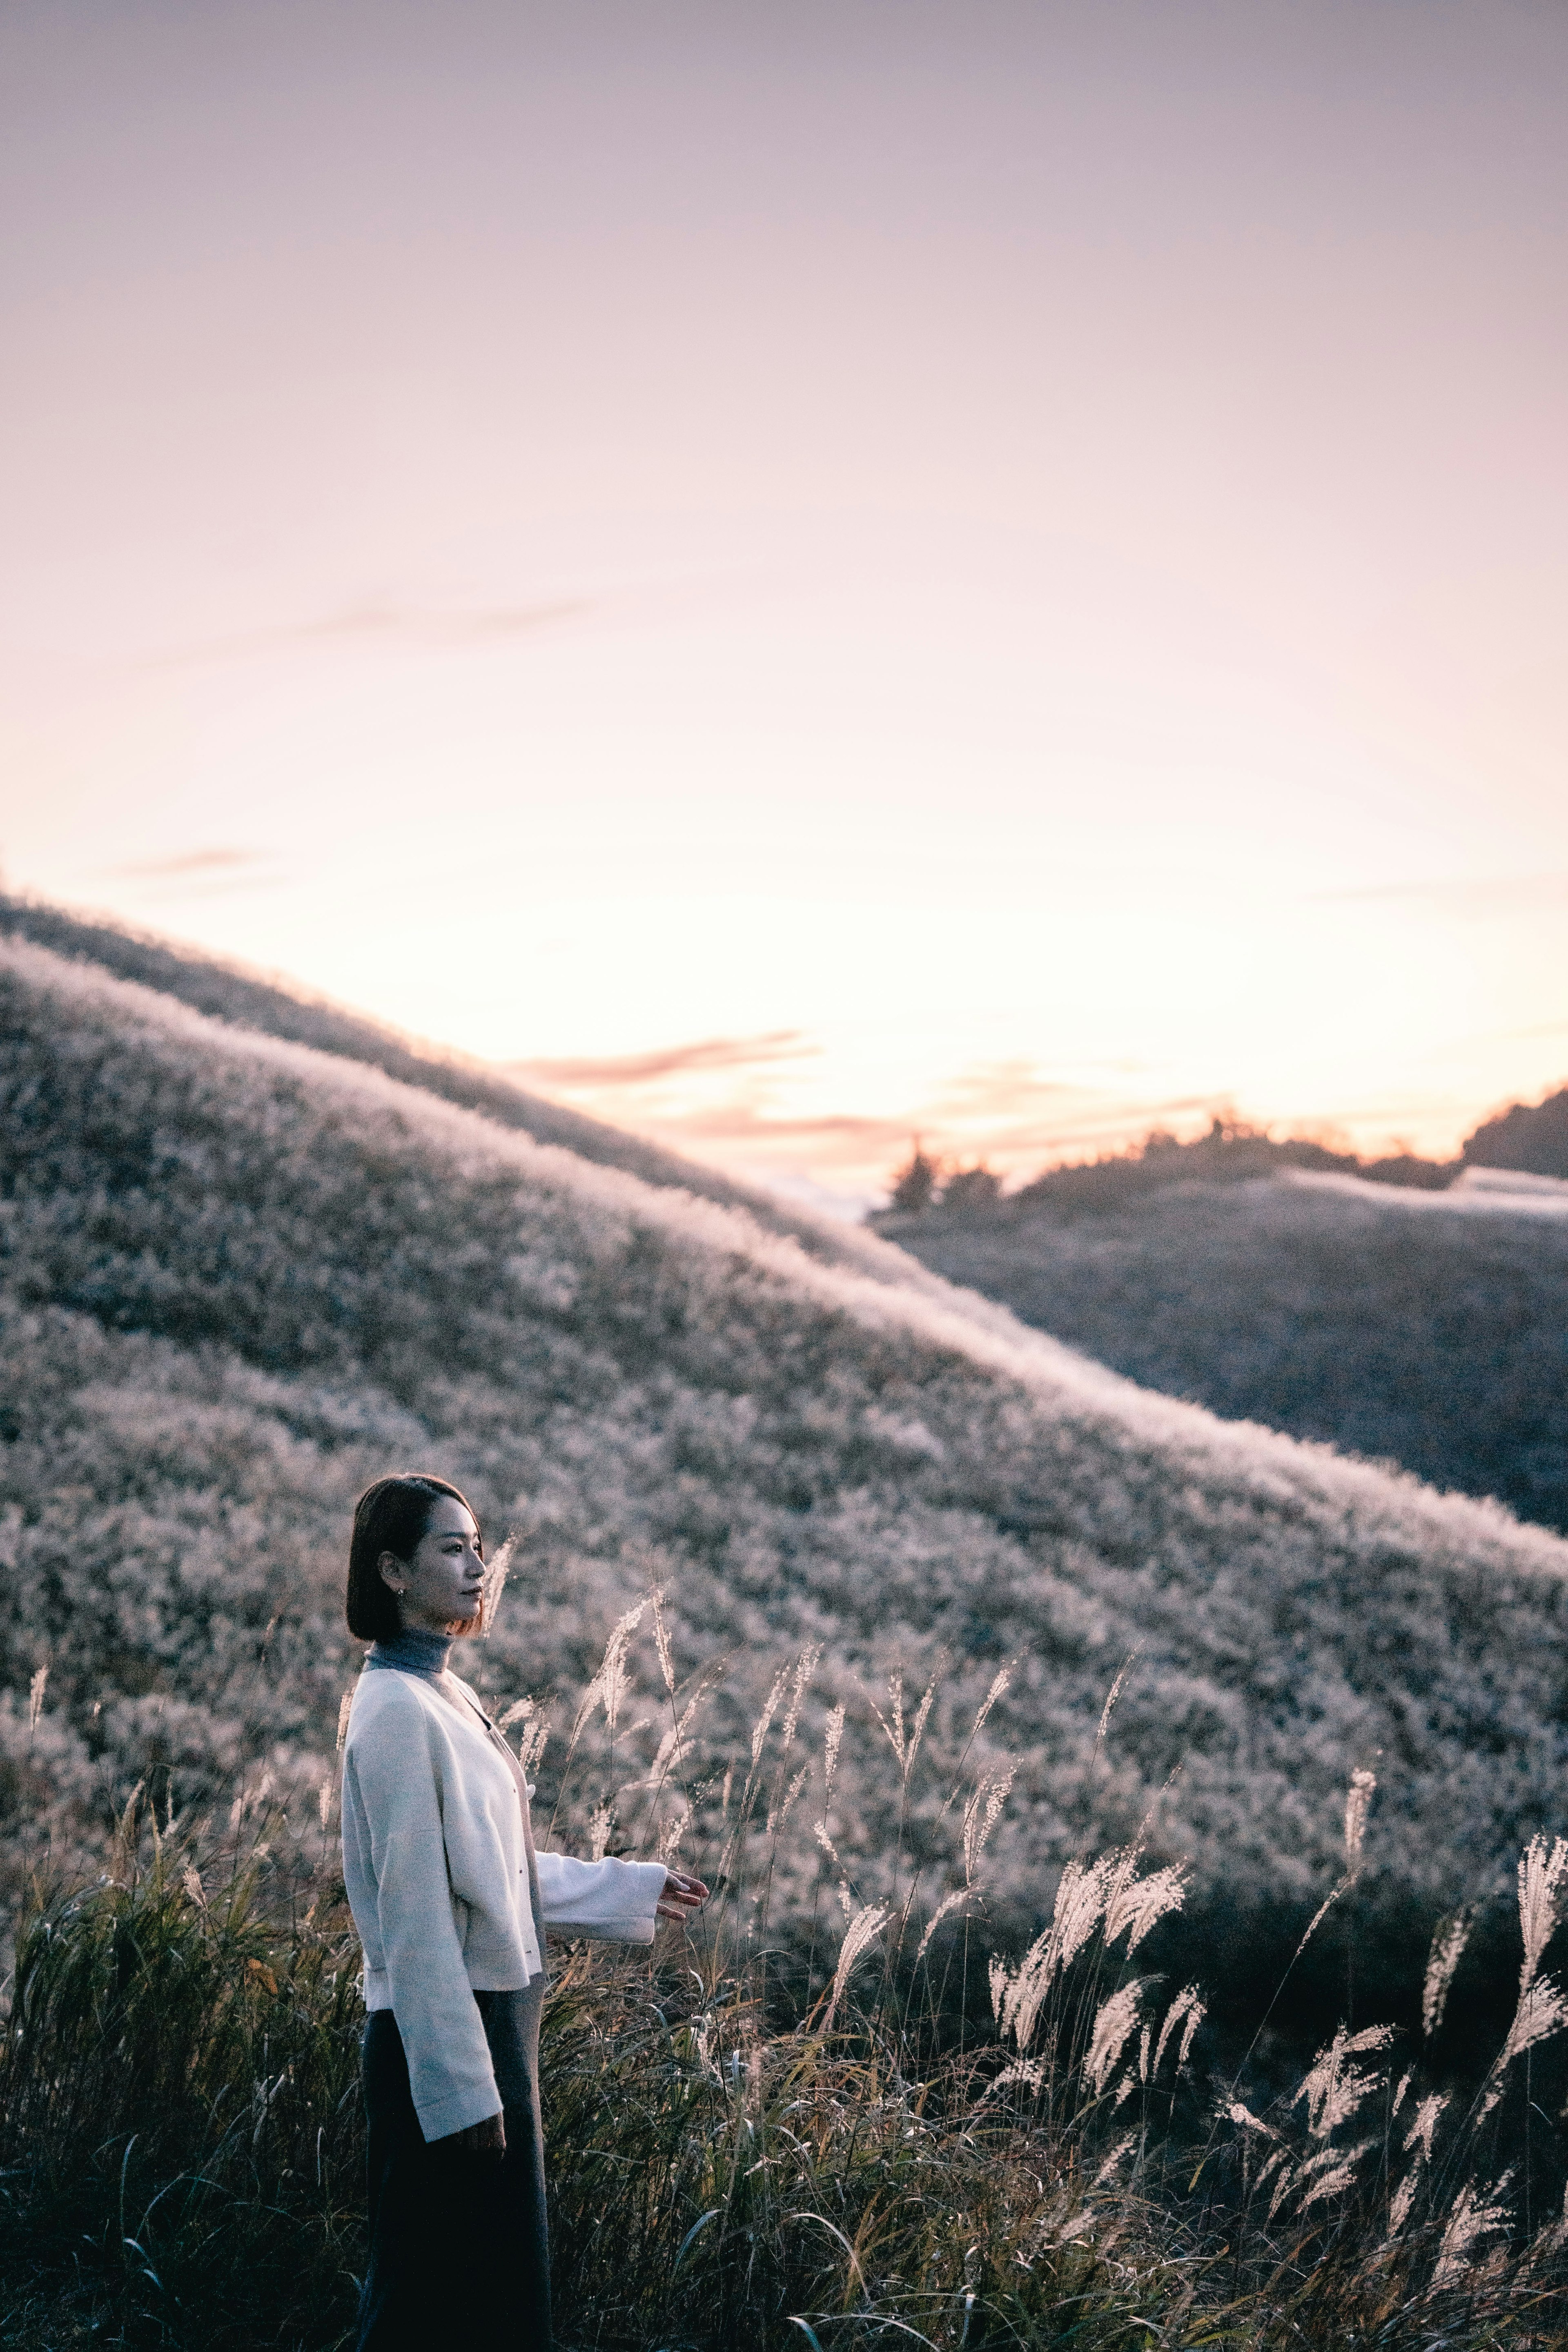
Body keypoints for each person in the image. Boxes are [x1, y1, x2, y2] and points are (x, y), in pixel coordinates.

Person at [341, 1472, 708, 2350]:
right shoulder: (394, 1709)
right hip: (444, 2038)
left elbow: (489, 1868)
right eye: (452, 1547)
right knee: (426, 2302)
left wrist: (627, 1886)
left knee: (484, 2296)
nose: (478, 1565)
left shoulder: (442, 1694)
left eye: (478, 1545)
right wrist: (461, 2090)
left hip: (496, 2024)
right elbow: (416, 1916)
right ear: (393, 1571)